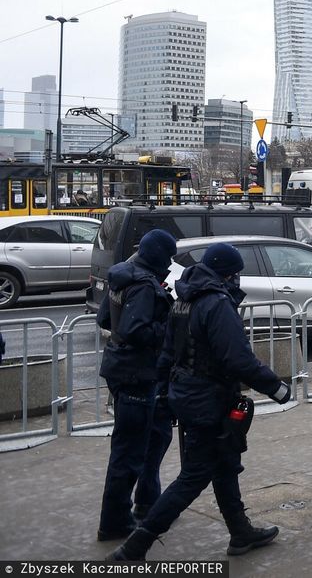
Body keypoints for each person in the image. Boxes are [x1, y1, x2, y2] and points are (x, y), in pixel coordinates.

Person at [109, 244, 292, 561]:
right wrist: (277, 389)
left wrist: (167, 394)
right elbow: (238, 359)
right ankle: (136, 545)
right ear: (229, 274)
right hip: (208, 399)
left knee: (224, 465)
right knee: (194, 476)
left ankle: (240, 532)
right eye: (236, 274)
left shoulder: (185, 298)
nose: (238, 280)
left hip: (189, 394)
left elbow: (168, 352)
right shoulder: (216, 303)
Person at [95, 230, 179, 541]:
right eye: (168, 256)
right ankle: (115, 522)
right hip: (136, 374)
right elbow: (136, 331)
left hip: (120, 369)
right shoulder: (144, 285)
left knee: (145, 440)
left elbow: (105, 319)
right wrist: (169, 328)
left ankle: (143, 504)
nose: (170, 263)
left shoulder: (122, 277)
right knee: (129, 453)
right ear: (158, 255)